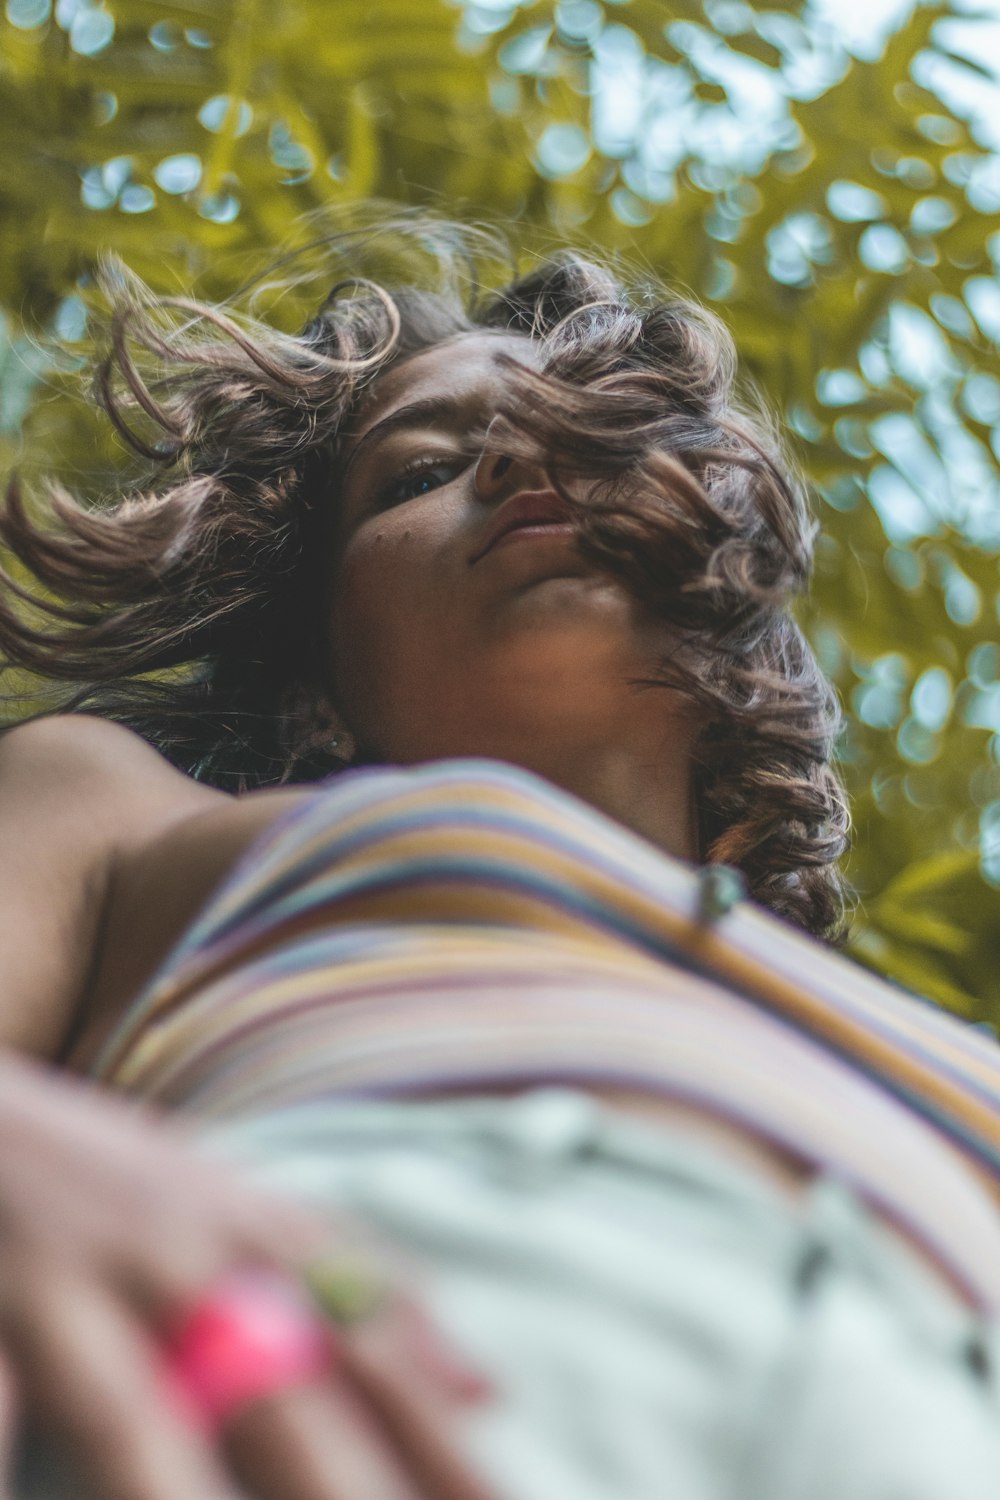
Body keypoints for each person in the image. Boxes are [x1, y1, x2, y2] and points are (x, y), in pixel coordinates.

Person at [2, 208, 1000, 1500]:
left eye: (588, 436)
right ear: (319, 678)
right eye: (416, 475)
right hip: (346, 1373)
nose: (519, 455)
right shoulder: (124, 807)